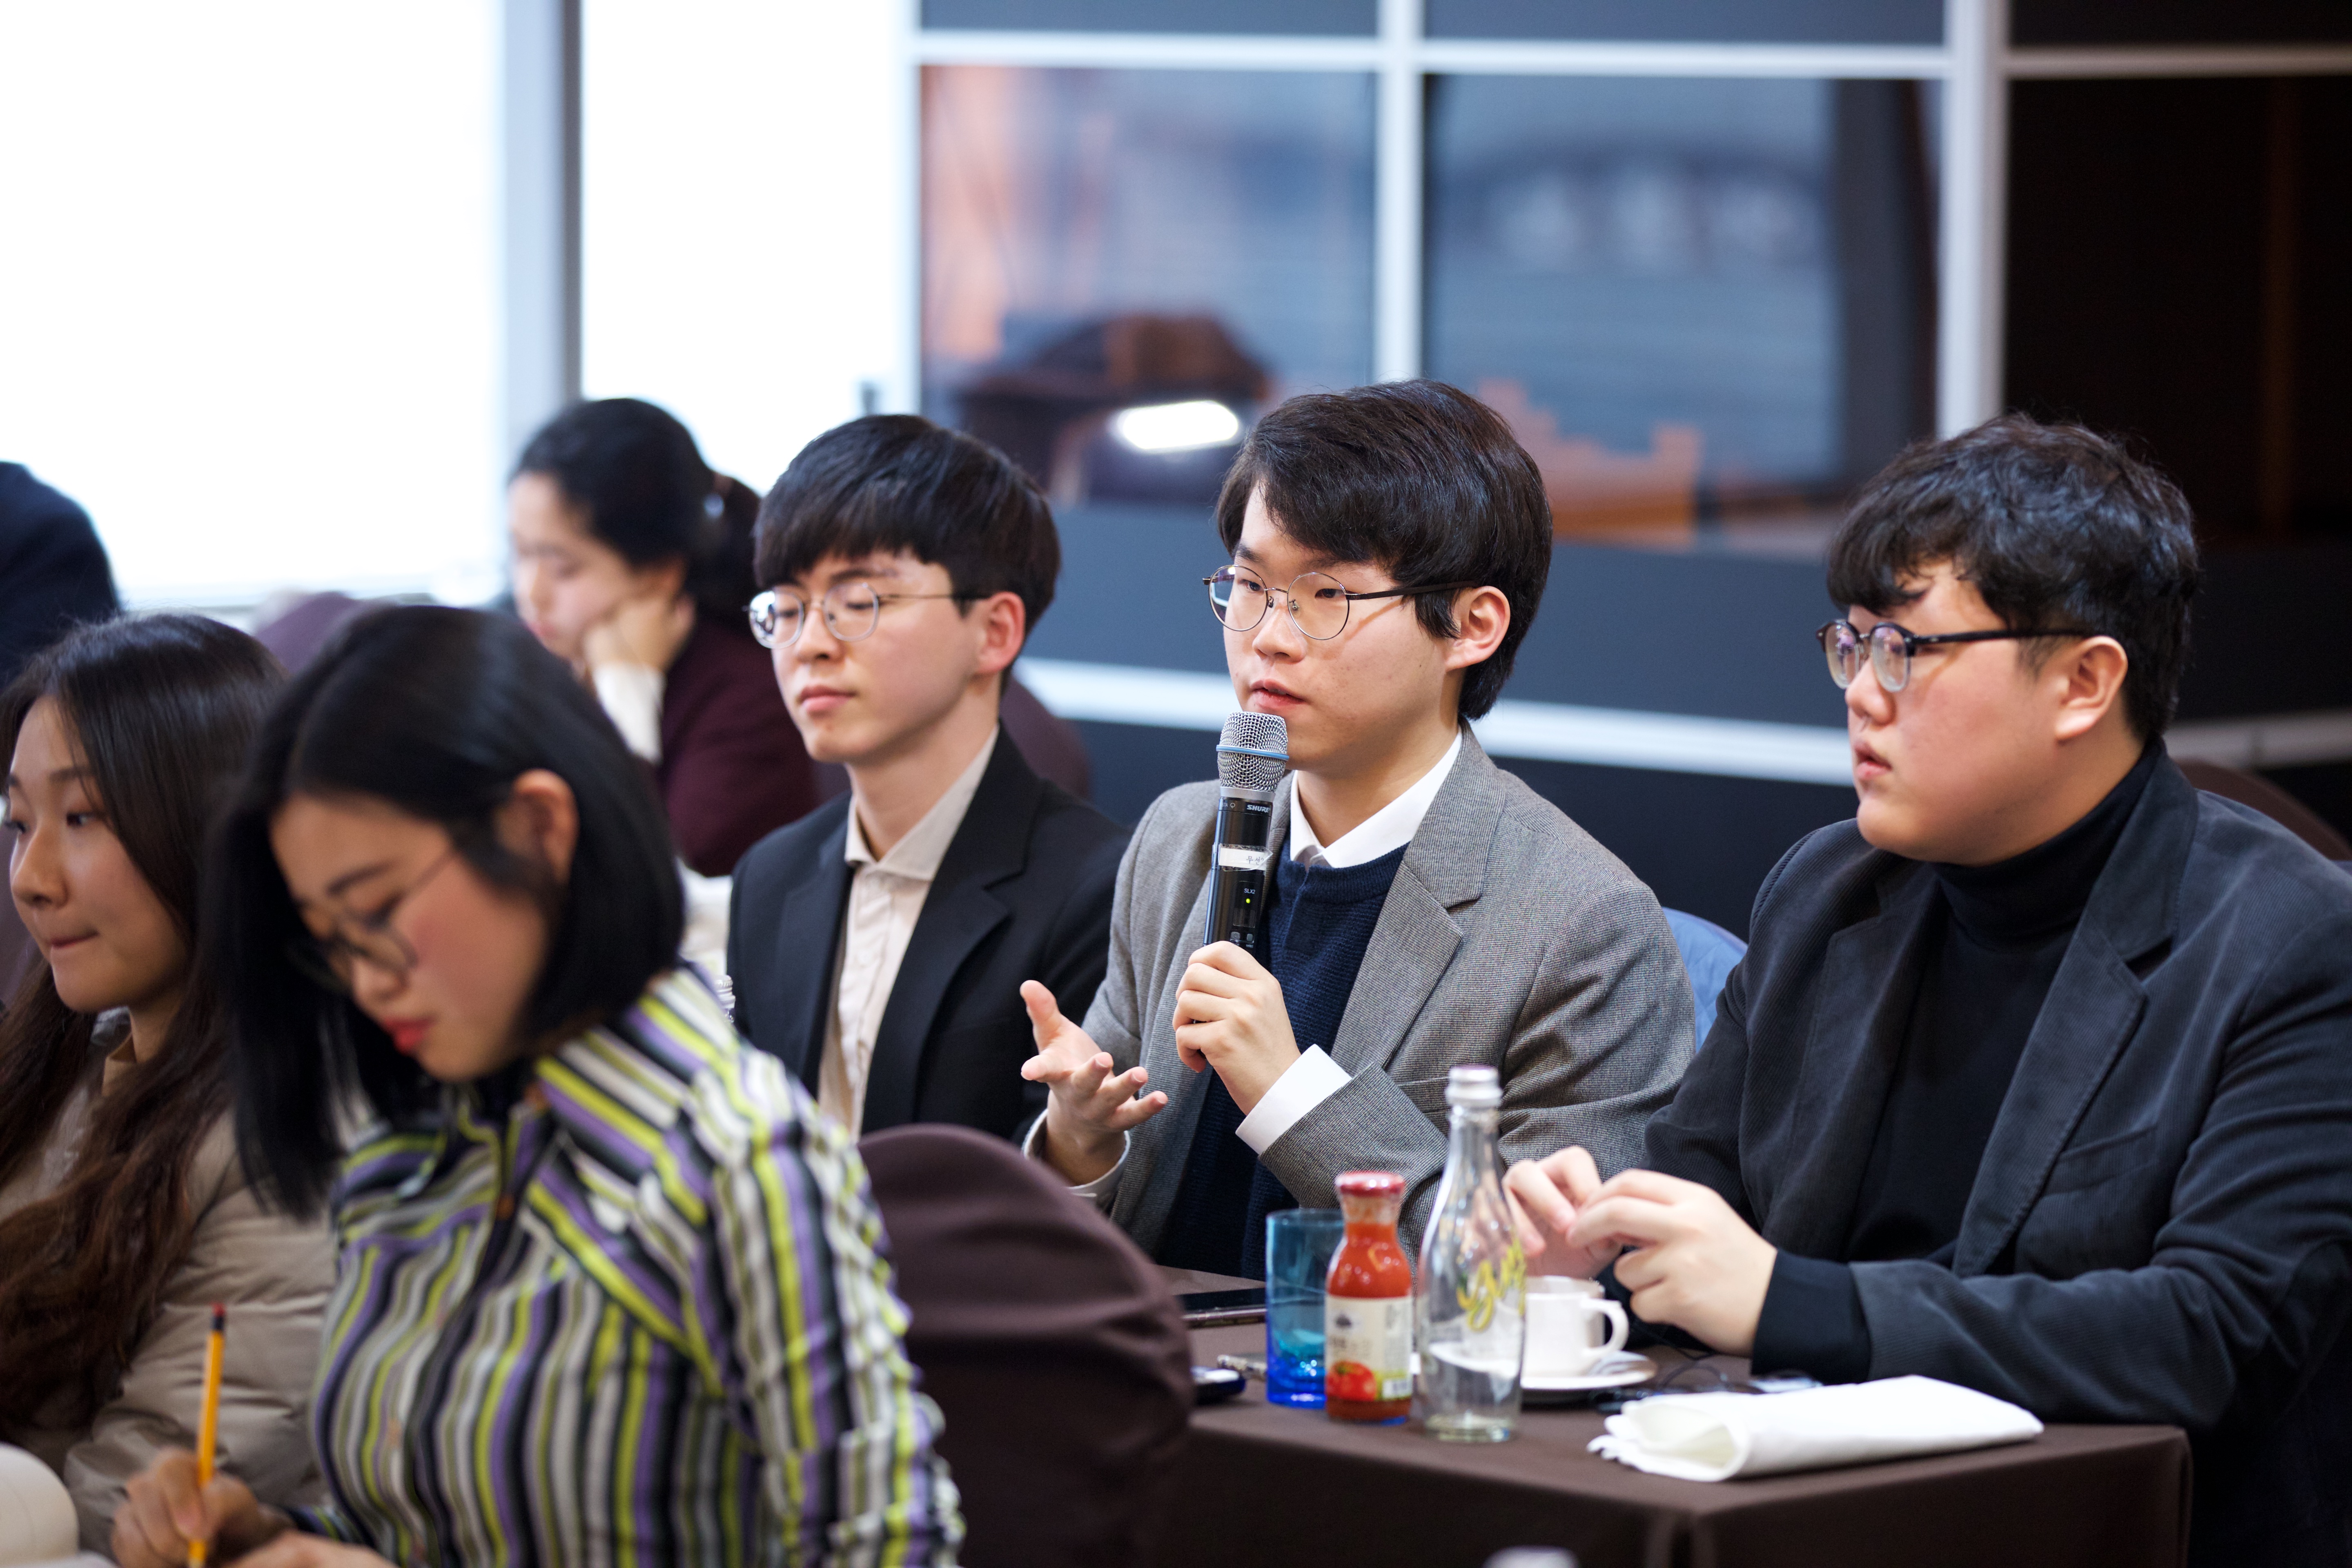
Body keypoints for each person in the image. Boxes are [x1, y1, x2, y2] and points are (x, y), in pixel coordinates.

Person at [1504, 416, 2352, 1568]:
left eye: (1906, 650)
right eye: (1849, 646)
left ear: (2084, 683)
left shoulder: (2289, 940)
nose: (1861, 692)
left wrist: (1792, 1303)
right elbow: (1700, 1196)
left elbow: (2212, 1336)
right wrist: (1599, 1251)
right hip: (1804, 1513)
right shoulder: (1831, 892)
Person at [110, 607, 960, 1568]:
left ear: (539, 828)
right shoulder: (412, 1137)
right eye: (328, 938)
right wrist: (278, 1538)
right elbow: (423, 1517)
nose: (365, 976)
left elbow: (889, 1551)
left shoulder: (734, 1157)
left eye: (378, 910)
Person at [1021, 380, 1695, 1274]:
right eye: (1251, 584)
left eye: (1327, 594)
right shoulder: (1181, 841)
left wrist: (1293, 1095)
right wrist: (1078, 1141)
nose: (1268, 635)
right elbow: (1112, 1203)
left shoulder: (1584, 927)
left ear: (1471, 625)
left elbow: (1531, 1278)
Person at [0, 615, 332, 1552]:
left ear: (211, 825)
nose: (30, 877)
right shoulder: (68, 1068)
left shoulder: (289, 1127)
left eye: (83, 818)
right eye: (17, 821)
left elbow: (138, 1508)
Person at [729, 415, 1125, 1140]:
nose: (811, 644)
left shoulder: (1101, 890)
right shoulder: (771, 877)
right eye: (786, 609)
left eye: (859, 604)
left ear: (995, 631)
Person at [510, 397, 821, 878]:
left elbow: (643, 888)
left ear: (661, 573)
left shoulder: (747, 702)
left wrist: (628, 687)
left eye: (563, 567)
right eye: (520, 553)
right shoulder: (526, 658)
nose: (531, 593)